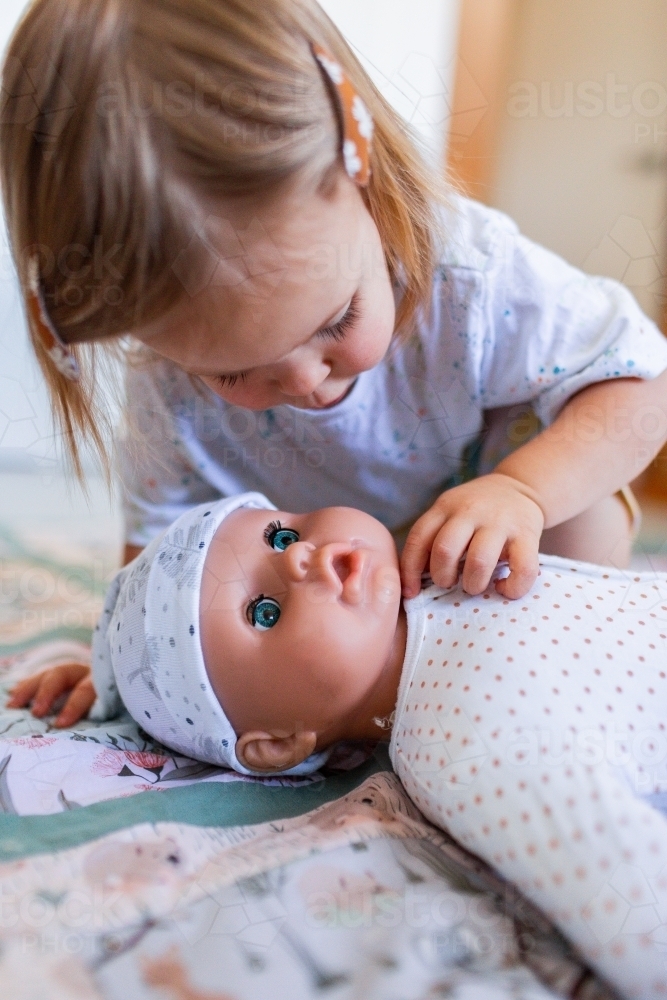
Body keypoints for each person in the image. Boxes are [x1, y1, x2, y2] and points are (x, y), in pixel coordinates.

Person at [2, 0, 667, 605]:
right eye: (231, 372)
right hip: (339, 598)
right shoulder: (164, 383)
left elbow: (644, 383)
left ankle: (554, 645)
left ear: (364, 169)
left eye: (335, 321)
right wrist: (126, 663)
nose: (302, 380)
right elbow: (161, 557)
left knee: (582, 513)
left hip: (498, 566)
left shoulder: (470, 273)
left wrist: (522, 490)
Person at [7, 490, 667, 998]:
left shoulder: (451, 561)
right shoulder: (454, 734)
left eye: (280, 533)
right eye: (263, 610)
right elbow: (618, 888)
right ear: (281, 743)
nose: (302, 556)